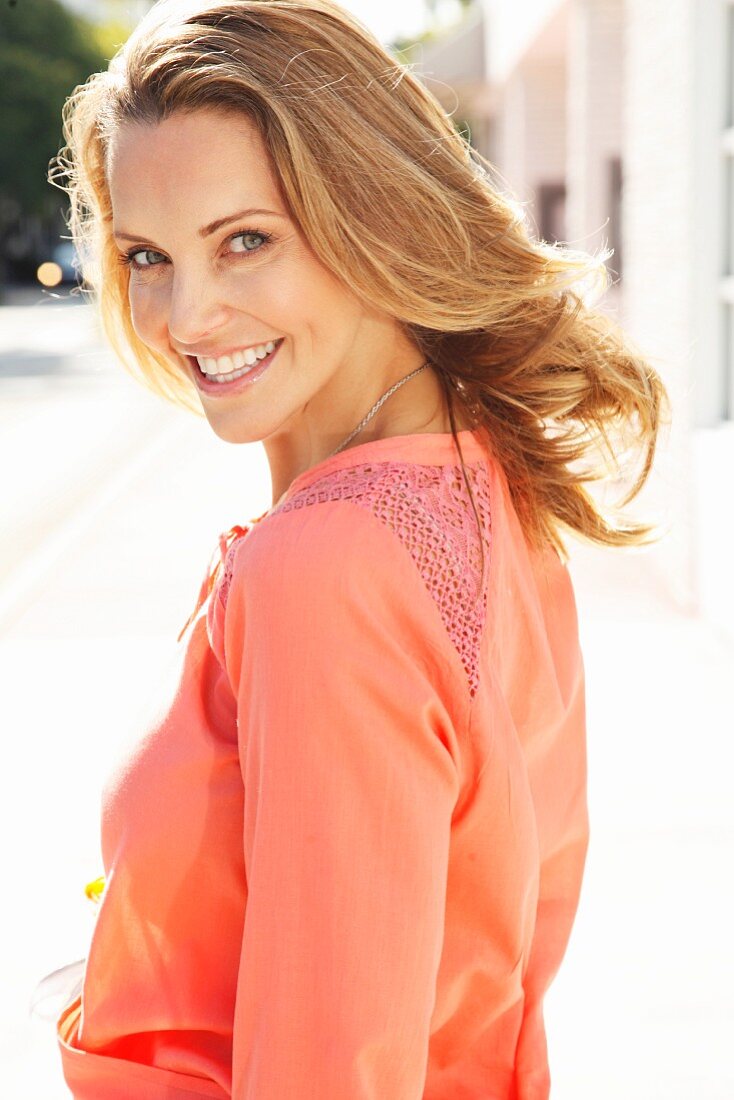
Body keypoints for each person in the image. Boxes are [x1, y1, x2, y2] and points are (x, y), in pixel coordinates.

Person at [42, 1, 670, 1097]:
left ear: (370, 216)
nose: (186, 315)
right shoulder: (485, 483)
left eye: (247, 240)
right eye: (147, 254)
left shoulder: (328, 570)